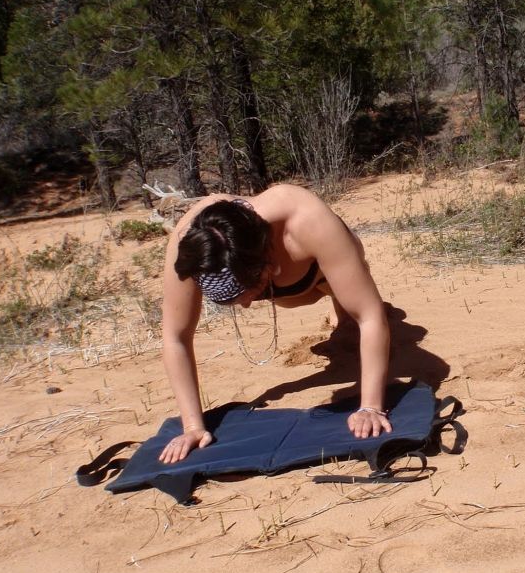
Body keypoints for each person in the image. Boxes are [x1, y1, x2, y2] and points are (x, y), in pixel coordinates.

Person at [158, 184, 391, 464]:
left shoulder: (307, 220)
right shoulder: (194, 247)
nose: (245, 305)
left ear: (265, 262)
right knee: (297, 300)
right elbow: (175, 337)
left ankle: (340, 302)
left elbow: (370, 316)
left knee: (351, 309)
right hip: (283, 284)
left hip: (317, 273)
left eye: (245, 293)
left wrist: (370, 406)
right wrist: (193, 427)